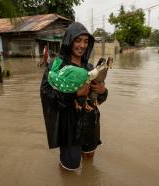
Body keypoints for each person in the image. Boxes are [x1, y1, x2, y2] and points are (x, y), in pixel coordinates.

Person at [40, 22, 108, 171]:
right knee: (70, 167)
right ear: (69, 41)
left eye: (85, 41)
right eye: (78, 40)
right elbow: (47, 95)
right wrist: (75, 94)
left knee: (89, 159)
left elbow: (101, 99)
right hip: (70, 126)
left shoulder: (90, 68)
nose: (82, 45)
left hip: (91, 122)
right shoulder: (56, 67)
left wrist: (102, 90)